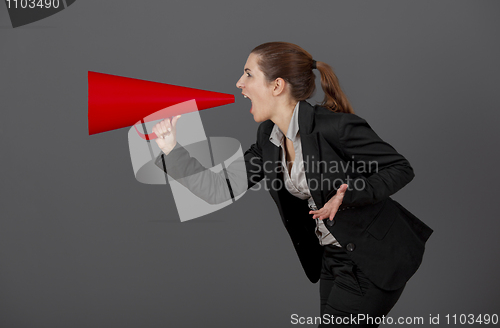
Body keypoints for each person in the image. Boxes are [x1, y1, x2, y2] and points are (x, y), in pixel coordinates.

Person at [152, 42, 433, 327]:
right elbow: (218, 188)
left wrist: (346, 197)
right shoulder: (269, 138)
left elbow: (400, 168)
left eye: (248, 74)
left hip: (372, 260)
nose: (239, 83)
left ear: (277, 86)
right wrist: (171, 150)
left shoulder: (334, 127)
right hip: (332, 258)